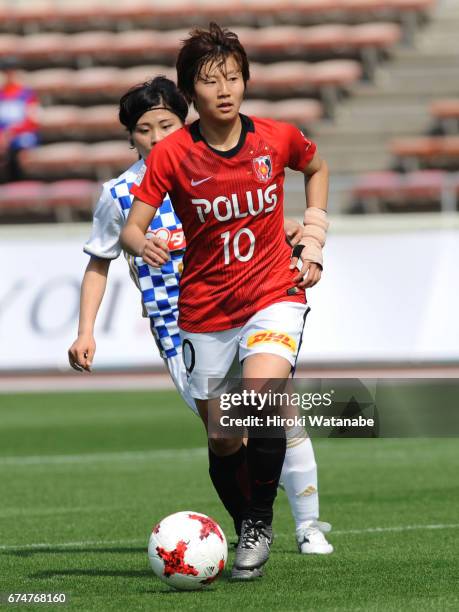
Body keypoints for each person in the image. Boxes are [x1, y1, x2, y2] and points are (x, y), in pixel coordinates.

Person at [68, 76, 332, 572]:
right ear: (131, 137)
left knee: (274, 411)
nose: (156, 136)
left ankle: (305, 528)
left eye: (166, 123)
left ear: (184, 120)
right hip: (182, 328)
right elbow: (99, 262)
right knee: (230, 432)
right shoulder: (122, 194)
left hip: (253, 304)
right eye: (144, 129)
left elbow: (253, 215)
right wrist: (86, 330)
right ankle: (251, 525)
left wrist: (296, 231)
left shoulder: (205, 164)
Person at [0, 56, 39, 183]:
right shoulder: (1, 95)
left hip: (22, 135)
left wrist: (12, 131)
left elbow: (32, 121)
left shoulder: (27, 94)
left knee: (22, 151)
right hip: (4, 137)